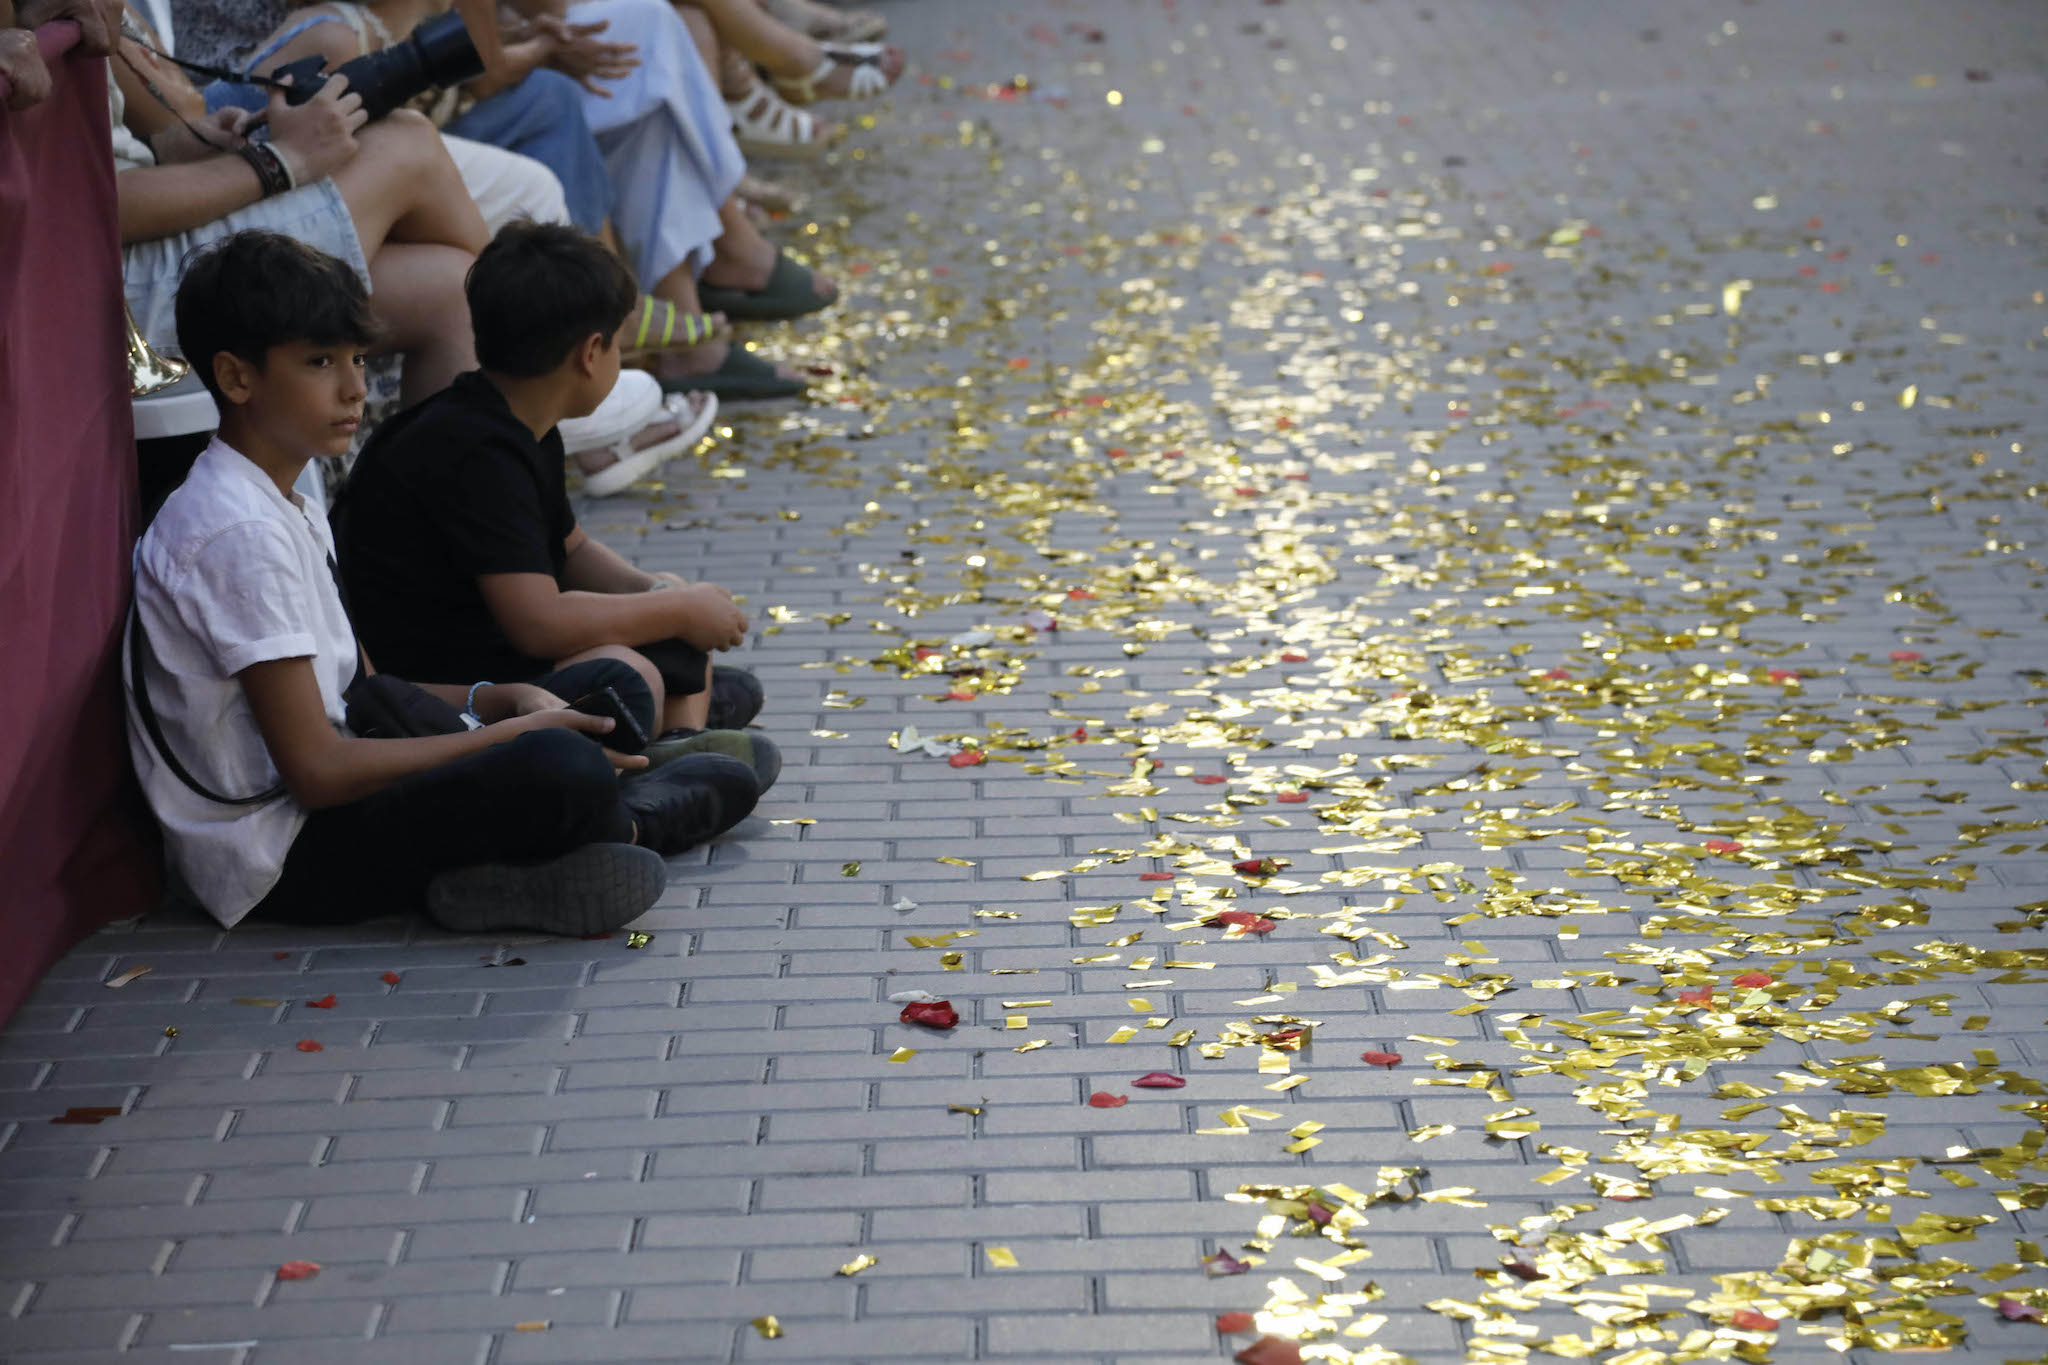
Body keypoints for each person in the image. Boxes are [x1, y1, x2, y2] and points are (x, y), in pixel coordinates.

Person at [125, 231, 762, 935]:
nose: (354, 387)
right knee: (560, 765)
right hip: (283, 858)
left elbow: (363, 689)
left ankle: (536, 856)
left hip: (344, 787)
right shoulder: (236, 532)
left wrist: (493, 701)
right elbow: (317, 771)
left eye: (358, 358)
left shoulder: (281, 498)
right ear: (238, 378)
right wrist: (503, 740)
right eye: (319, 362)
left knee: (573, 728)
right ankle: (626, 822)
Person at [334, 221, 779, 779]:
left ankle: (681, 741)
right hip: (450, 683)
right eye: (619, 341)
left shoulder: (524, 424)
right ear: (592, 352)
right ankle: (662, 759)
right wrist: (677, 610)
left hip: (498, 648)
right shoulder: (476, 451)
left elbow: (571, 549)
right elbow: (539, 624)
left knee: (675, 632)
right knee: (630, 672)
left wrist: (660, 593)